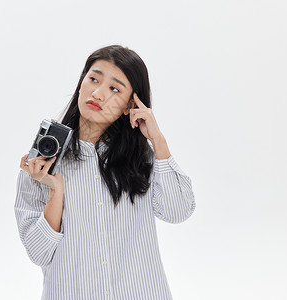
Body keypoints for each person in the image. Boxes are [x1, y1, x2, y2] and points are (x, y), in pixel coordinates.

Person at [14, 45, 196, 300]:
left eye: (114, 88)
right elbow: (39, 253)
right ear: (81, 84)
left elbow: (178, 211)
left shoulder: (141, 159)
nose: (98, 93)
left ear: (129, 105)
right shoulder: (42, 164)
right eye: (93, 79)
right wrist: (55, 190)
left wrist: (158, 140)